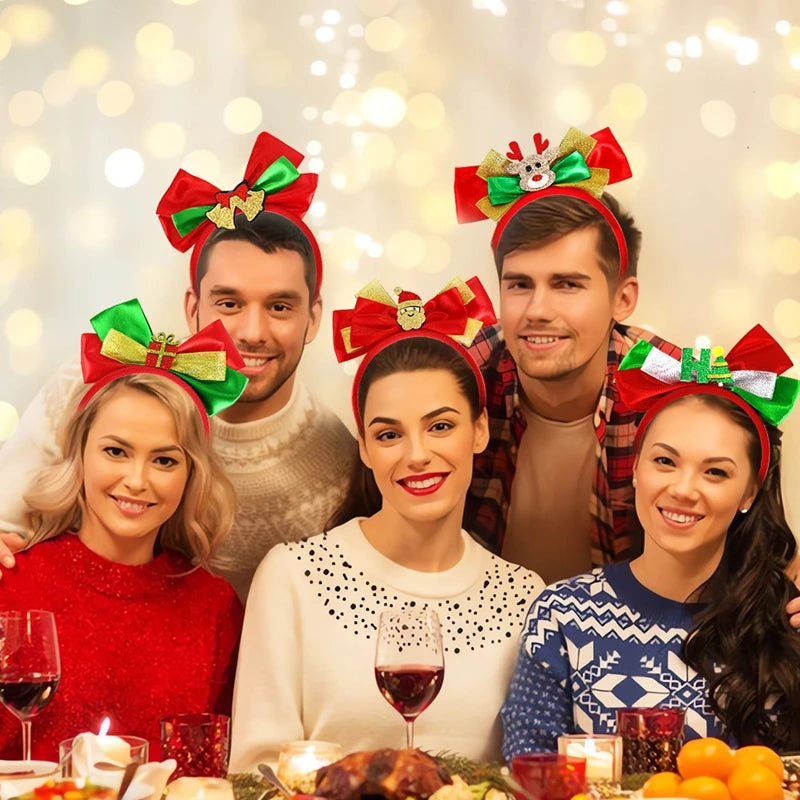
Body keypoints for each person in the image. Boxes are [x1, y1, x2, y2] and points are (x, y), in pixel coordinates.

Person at [0, 130, 357, 601]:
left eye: (280, 307)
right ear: (192, 309)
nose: (252, 332)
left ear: (313, 317)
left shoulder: (339, 462)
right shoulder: (90, 385)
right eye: (229, 304)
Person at [229, 277, 545, 770]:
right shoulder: (293, 576)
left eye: (440, 426)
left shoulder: (524, 596)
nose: (417, 455)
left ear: (479, 430)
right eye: (389, 433)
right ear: (365, 448)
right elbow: (256, 769)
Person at [501, 324, 800, 758]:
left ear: (749, 493)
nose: (683, 488)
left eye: (715, 472)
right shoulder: (562, 615)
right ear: (636, 468)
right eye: (665, 461)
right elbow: (526, 771)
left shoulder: (782, 617)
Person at [0, 299, 247, 759]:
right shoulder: (12, 585)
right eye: (116, 452)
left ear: (191, 474)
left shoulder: (215, 608)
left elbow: (217, 775)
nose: (137, 480)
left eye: (165, 460)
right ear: (80, 453)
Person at [454, 126, 681, 583]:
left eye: (567, 284)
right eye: (519, 284)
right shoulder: (457, 380)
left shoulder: (676, 393)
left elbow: (755, 542)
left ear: (623, 299)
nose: (537, 311)